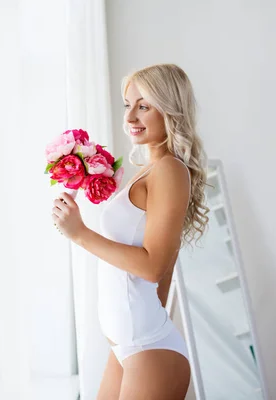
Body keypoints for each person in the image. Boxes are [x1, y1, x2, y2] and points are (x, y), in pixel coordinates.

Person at [51, 63, 209, 400]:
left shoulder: (169, 170)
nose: (131, 117)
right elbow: (162, 269)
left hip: (146, 347)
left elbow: (153, 266)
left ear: (170, 109)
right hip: (130, 346)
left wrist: (79, 234)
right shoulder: (147, 170)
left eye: (144, 106)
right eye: (128, 104)